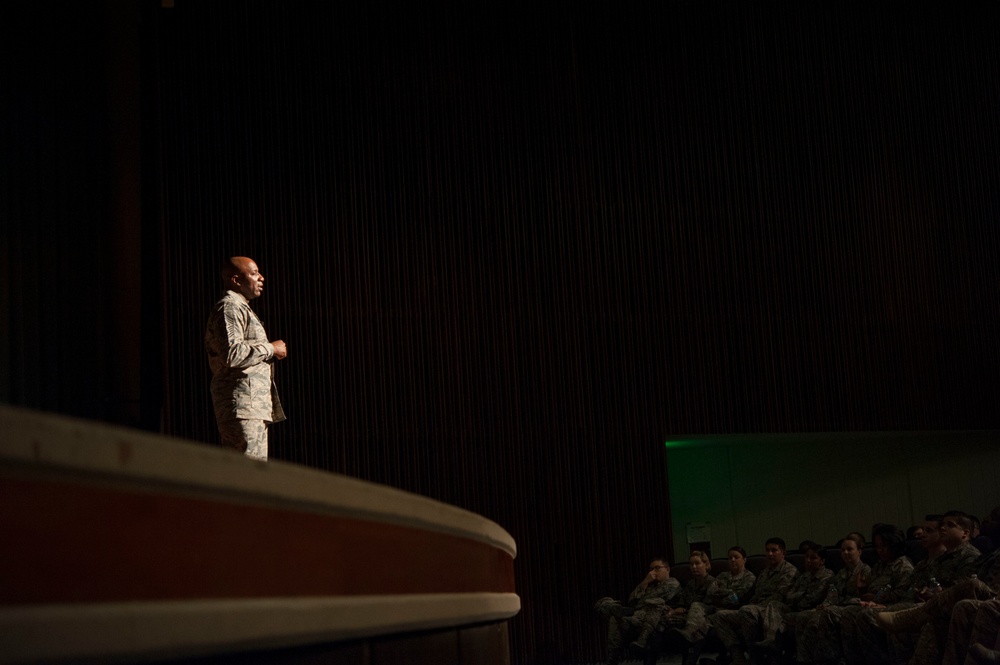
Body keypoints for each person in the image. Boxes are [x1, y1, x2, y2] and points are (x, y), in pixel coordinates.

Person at [205, 256, 287, 461]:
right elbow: (232, 354)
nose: (261, 278)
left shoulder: (240, 308)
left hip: (251, 406)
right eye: (254, 273)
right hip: (242, 405)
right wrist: (271, 348)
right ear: (236, 280)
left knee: (252, 472)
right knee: (246, 473)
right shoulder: (230, 307)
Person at [710, 537, 798, 665]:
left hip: (776, 610)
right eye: (767, 550)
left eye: (774, 550)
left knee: (747, 610)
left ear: (783, 553)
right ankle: (738, 656)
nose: (770, 554)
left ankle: (755, 656)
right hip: (756, 609)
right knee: (720, 616)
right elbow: (756, 595)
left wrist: (753, 607)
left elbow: (781, 596)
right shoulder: (764, 573)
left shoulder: (790, 571)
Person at [794, 532, 871, 664]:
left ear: (859, 552)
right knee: (803, 617)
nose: (845, 553)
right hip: (836, 607)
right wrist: (826, 603)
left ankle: (827, 659)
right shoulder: (841, 573)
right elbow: (833, 593)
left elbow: (864, 598)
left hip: (852, 608)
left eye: (849, 549)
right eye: (842, 550)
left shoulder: (866, 571)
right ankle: (804, 659)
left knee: (816, 620)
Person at [595, 557, 681, 665]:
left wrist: (637, 603)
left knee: (654, 602)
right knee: (609, 611)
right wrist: (645, 583)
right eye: (651, 569)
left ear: (667, 569)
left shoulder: (673, 583)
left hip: (655, 618)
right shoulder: (650, 586)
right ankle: (612, 660)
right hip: (638, 616)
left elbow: (644, 601)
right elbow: (631, 600)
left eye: (657, 568)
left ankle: (620, 610)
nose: (653, 572)